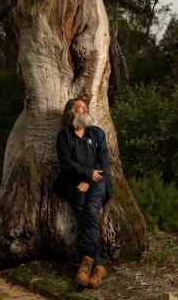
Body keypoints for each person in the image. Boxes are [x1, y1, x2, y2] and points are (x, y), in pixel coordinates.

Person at [53, 97, 113, 289]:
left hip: (97, 182)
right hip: (73, 183)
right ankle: (98, 265)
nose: (84, 111)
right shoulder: (64, 136)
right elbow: (66, 163)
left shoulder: (97, 133)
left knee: (91, 213)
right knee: (83, 217)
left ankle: (85, 266)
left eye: (86, 108)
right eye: (80, 108)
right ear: (71, 112)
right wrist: (84, 176)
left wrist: (88, 179)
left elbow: (102, 161)